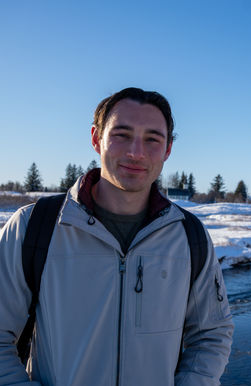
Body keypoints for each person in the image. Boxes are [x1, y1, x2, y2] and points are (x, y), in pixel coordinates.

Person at [0, 87, 234, 385]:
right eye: (121, 135)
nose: (136, 152)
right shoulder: (34, 227)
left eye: (152, 139)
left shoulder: (189, 236)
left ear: (167, 150)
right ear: (96, 138)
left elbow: (212, 333)